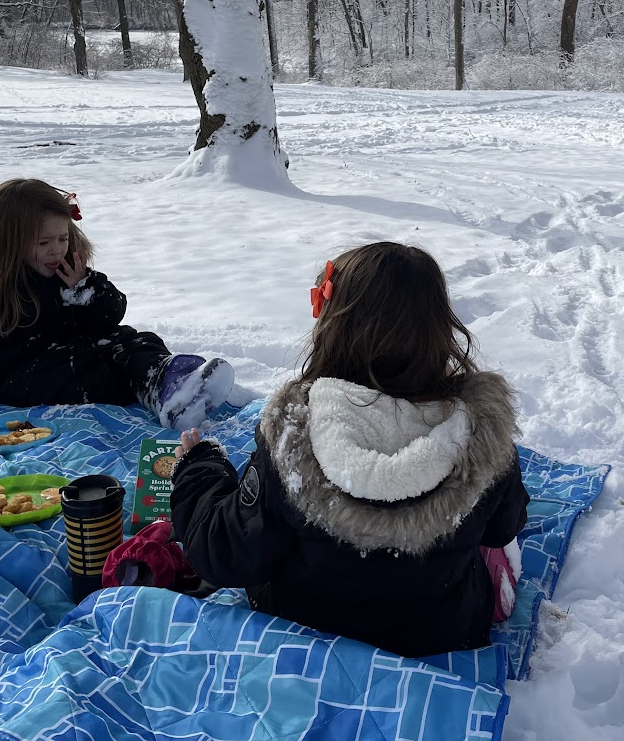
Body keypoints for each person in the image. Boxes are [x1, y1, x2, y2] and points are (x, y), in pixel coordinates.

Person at [170, 242, 529, 659]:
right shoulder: (479, 436)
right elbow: (505, 526)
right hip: (443, 635)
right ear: (439, 330)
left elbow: (223, 554)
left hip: (305, 629)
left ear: (334, 327)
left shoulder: (295, 440)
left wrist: (198, 469)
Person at [0, 178, 232, 429]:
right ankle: (161, 393)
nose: (56, 250)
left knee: (133, 340)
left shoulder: (66, 271)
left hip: (71, 351)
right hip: (20, 376)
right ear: (7, 243)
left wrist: (85, 290)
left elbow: (110, 317)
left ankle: (170, 384)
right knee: (106, 371)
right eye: (44, 242)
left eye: (62, 238)